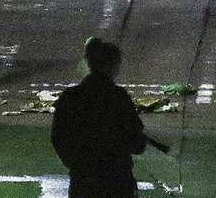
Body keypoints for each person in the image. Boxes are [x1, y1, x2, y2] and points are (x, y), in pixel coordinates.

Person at [51, 37, 147, 197]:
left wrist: (76, 164)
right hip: (117, 180)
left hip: (83, 181)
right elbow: (135, 141)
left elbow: (58, 138)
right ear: (111, 66)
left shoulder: (70, 97)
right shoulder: (118, 97)